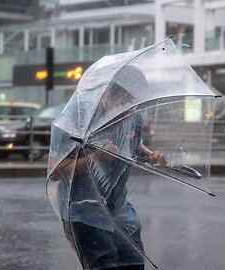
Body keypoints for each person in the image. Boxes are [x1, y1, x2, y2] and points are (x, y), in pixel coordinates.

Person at [50, 73, 167, 269]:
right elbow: (55, 170)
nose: (132, 106)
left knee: (134, 264)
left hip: (121, 214)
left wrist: (151, 156)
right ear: (108, 95)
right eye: (127, 99)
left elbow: (134, 145)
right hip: (84, 213)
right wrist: (94, 158)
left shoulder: (133, 116)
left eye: (135, 100)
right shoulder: (78, 117)